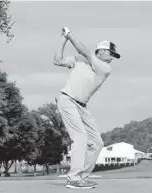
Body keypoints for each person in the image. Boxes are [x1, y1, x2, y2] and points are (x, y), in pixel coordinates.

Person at [54, 27, 120, 189]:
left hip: (82, 106)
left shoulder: (105, 68)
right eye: (110, 54)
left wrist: (69, 35)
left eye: (113, 55)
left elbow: (84, 51)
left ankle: (82, 176)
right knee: (81, 137)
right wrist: (62, 41)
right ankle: (74, 178)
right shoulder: (79, 60)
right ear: (102, 51)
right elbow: (57, 60)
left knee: (97, 143)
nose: (112, 58)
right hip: (68, 100)